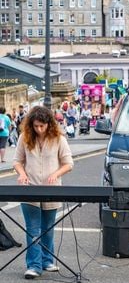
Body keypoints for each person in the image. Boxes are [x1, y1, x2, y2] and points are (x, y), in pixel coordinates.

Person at [13, 106, 74, 279]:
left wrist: (56, 174)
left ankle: (47, 260)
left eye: (42, 126)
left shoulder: (58, 139)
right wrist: (22, 174)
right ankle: (33, 265)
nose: (39, 129)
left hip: (51, 189)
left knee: (48, 228)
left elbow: (68, 163)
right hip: (29, 188)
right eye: (36, 126)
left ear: (49, 124)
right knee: (33, 229)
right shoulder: (24, 137)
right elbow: (17, 161)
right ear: (31, 125)